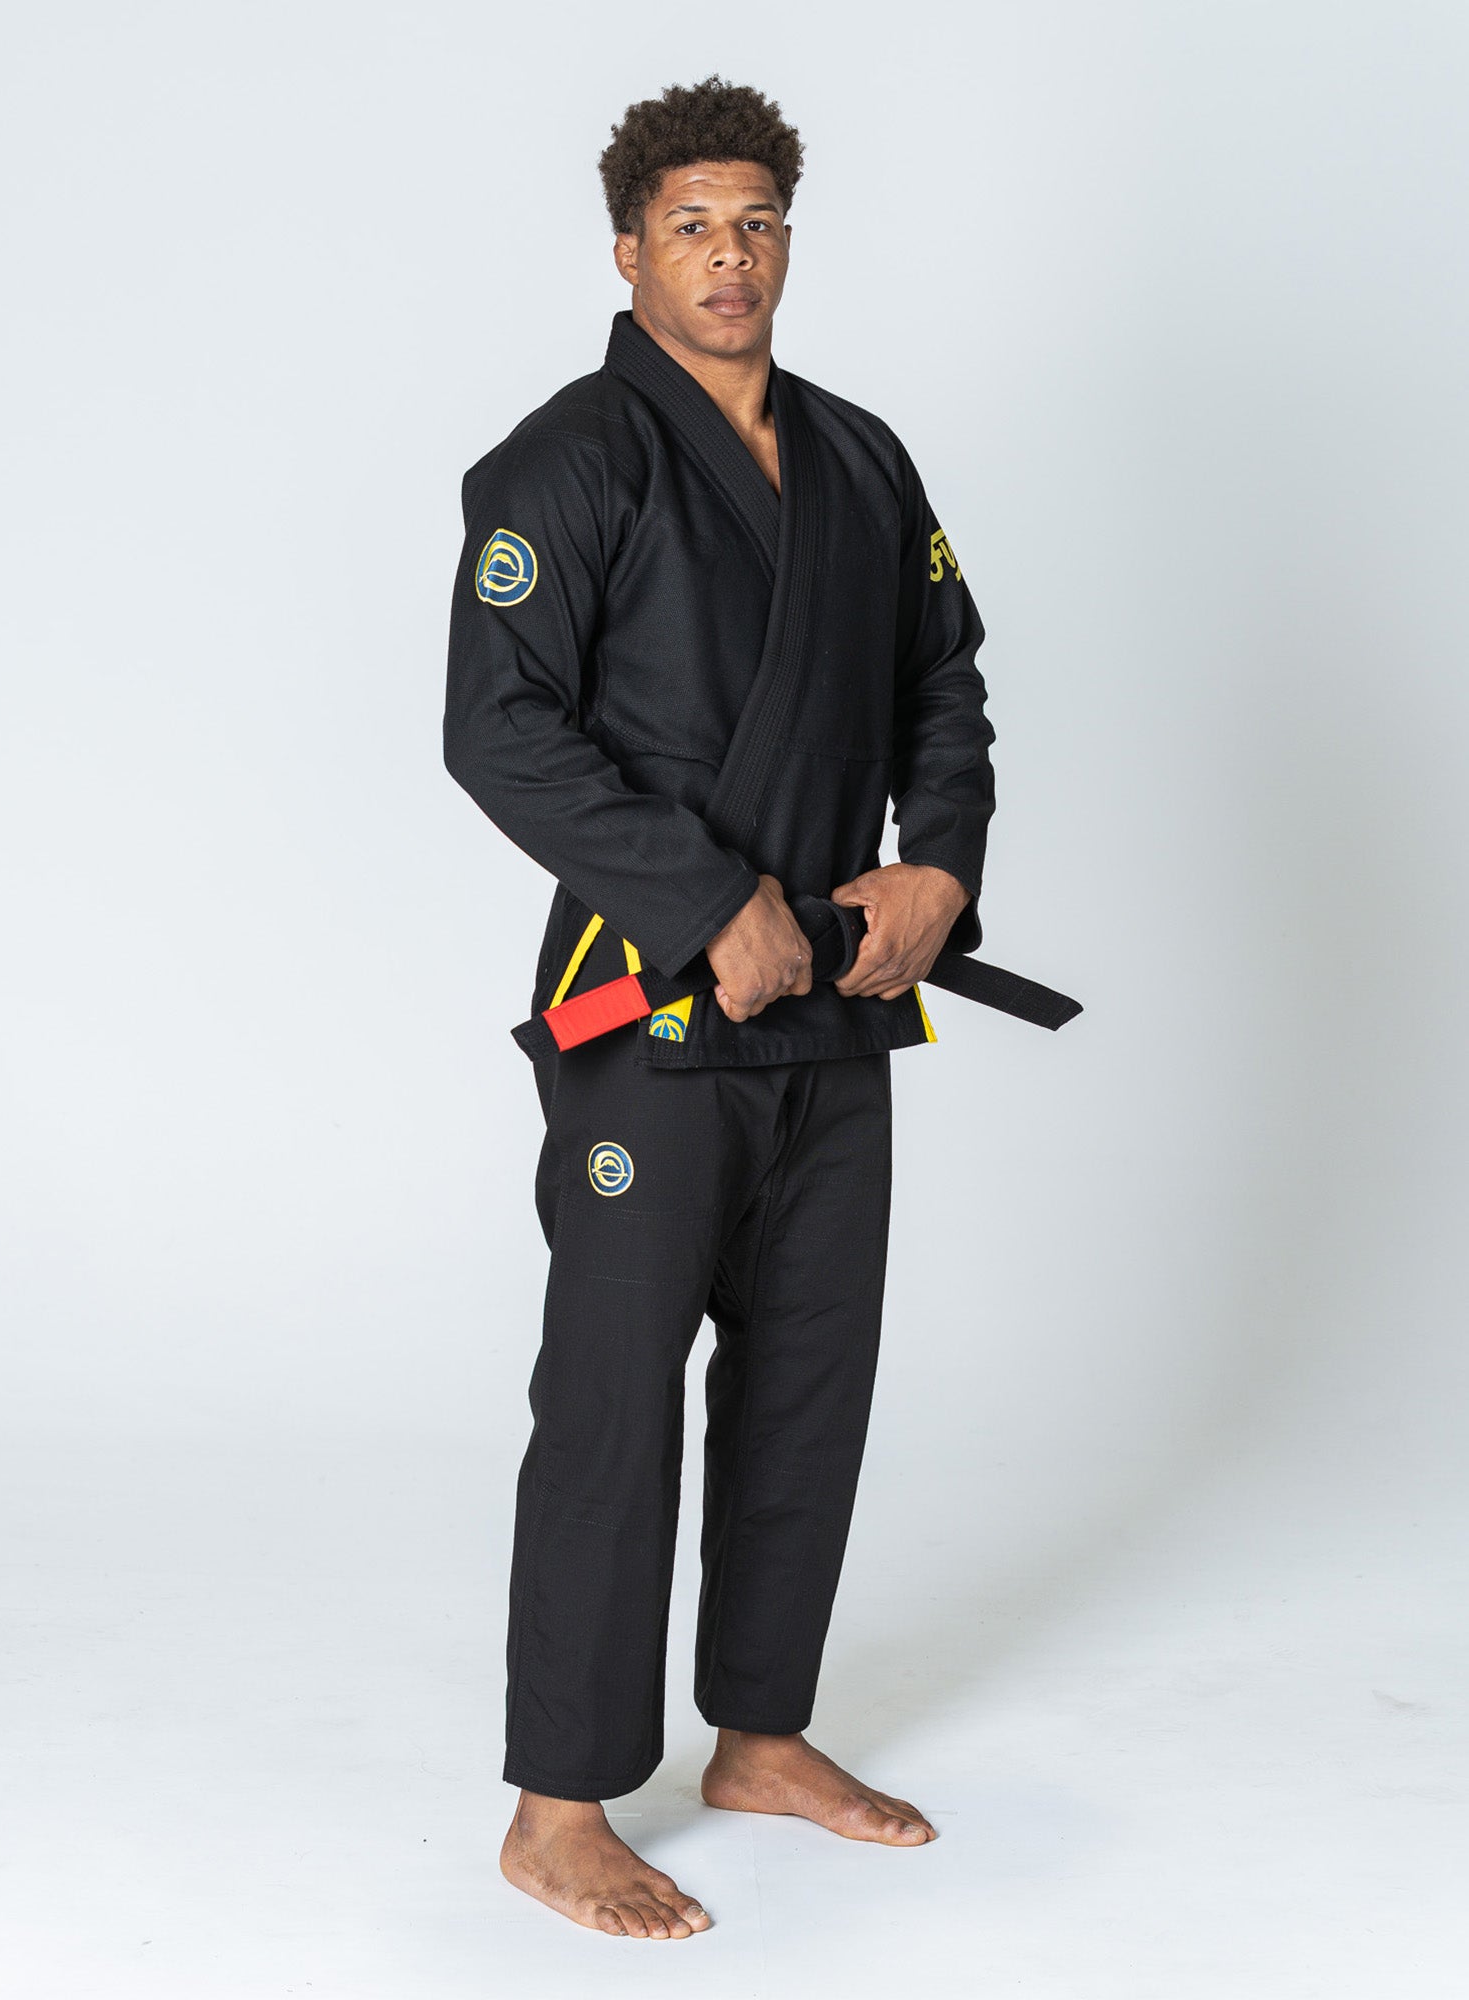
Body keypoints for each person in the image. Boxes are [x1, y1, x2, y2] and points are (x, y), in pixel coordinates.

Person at [443, 75, 996, 1941]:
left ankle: (761, 1733)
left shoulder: (862, 458)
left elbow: (947, 681)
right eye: (691, 221)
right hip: (651, 1016)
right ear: (627, 250)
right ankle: (558, 1803)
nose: (730, 251)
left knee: (809, 1382)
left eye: (757, 218)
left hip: (839, 1004)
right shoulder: (568, 462)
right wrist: (707, 903)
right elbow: (496, 728)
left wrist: (938, 867)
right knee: (614, 1395)